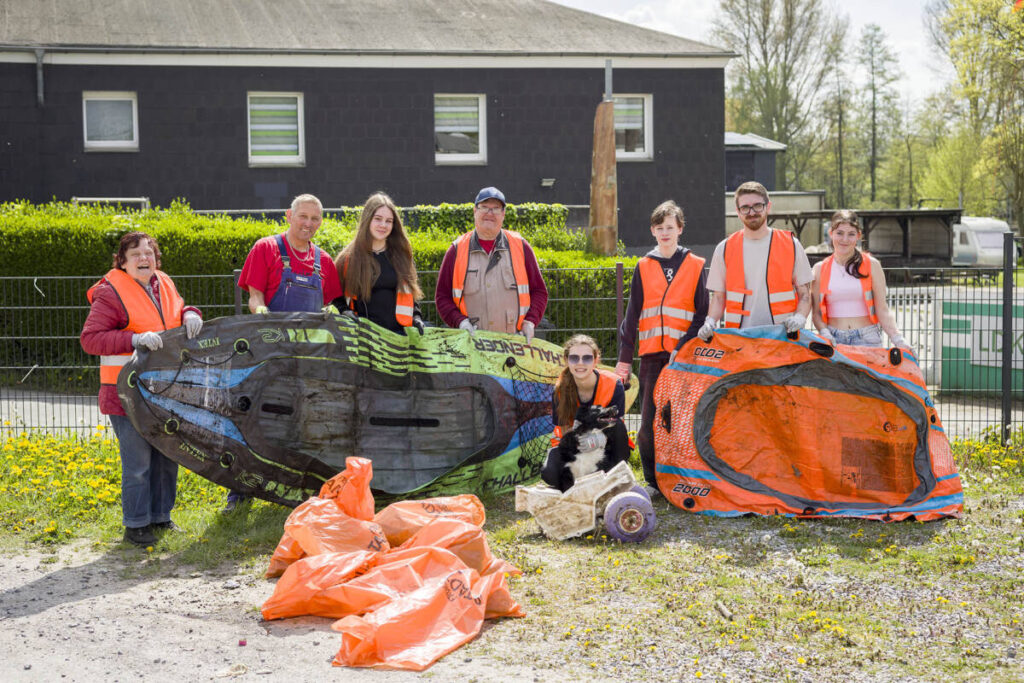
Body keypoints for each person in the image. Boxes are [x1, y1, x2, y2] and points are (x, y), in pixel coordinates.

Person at [80, 232, 203, 547]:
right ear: (122, 261)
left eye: (149, 252)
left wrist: (191, 313)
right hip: (126, 394)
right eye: (135, 254)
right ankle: (136, 526)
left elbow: (176, 311)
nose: (144, 258)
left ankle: (161, 518)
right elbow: (91, 339)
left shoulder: (163, 282)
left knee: (166, 458)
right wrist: (133, 339)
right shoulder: (110, 293)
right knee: (138, 464)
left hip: (165, 391)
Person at [230, 193, 342, 512]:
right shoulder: (266, 249)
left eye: (315, 219)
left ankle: (297, 493)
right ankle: (240, 492)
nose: (309, 224)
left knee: (301, 424)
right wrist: (262, 310)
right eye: (303, 217)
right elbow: (254, 297)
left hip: (307, 361)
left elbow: (330, 304)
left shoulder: (325, 261)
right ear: (289, 216)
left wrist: (333, 313)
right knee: (254, 422)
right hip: (267, 355)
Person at [614, 200, 708, 496]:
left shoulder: (696, 265)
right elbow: (631, 318)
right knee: (650, 421)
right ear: (653, 231)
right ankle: (654, 481)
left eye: (671, 227)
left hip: (686, 357)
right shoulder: (643, 266)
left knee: (684, 419)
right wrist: (624, 360)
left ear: (680, 229)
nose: (665, 232)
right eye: (660, 227)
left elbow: (702, 313)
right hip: (653, 357)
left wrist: (683, 345)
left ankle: (687, 477)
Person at [699, 181, 813, 340]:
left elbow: (805, 295)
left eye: (757, 206)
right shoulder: (724, 249)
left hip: (783, 337)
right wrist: (710, 321)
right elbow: (718, 298)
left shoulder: (791, 245)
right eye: (745, 207)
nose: (752, 212)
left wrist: (800, 317)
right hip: (739, 338)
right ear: (738, 212)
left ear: (768, 206)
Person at [434, 187, 548, 341]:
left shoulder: (521, 246)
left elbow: (539, 291)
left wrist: (531, 321)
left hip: (514, 342)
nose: (490, 213)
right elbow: (442, 296)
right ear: (475, 211)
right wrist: (460, 322)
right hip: (472, 344)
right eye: (484, 207)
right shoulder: (456, 250)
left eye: (495, 208)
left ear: (503, 214)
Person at [811, 209, 911, 350]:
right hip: (834, 339)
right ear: (831, 233)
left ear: (858, 236)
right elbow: (816, 313)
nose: (845, 240)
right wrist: (824, 332)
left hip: (867, 338)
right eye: (840, 233)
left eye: (851, 234)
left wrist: (898, 339)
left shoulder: (872, 265)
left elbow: (882, 309)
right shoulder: (820, 269)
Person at [542, 334, 630, 490]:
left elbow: (615, 427)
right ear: (567, 360)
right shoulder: (560, 390)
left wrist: (599, 439)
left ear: (596, 360)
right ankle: (580, 482)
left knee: (619, 427)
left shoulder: (613, 383)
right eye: (574, 358)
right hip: (576, 448)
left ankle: (614, 475)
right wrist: (578, 439)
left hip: (605, 449)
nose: (580, 363)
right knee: (549, 473)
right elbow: (563, 431)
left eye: (587, 358)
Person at [332, 192, 425, 334]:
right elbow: (335, 297)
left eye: (389, 221)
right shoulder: (348, 259)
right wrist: (345, 312)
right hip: (363, 339)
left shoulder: (402, 255)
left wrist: (417, 317)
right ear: (367, 220)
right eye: (378, 219)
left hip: (399, 338)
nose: (383, 225)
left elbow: (411, 296)